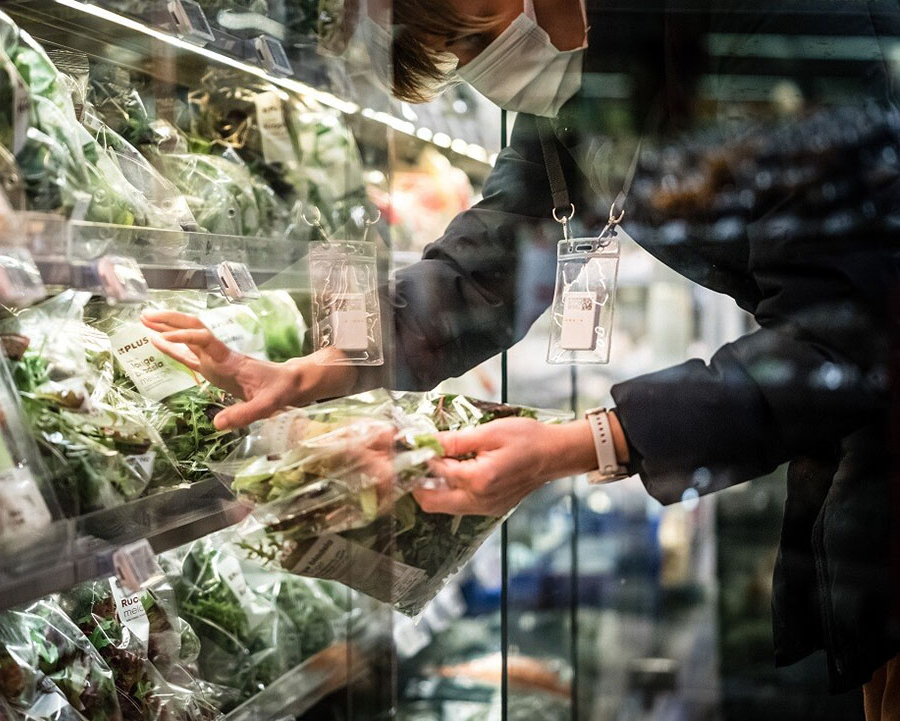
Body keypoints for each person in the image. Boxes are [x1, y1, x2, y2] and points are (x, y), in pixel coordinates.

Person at [142, 0, 900, 710]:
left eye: (474, 36)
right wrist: (322, 364)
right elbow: (492, 253)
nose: (483, 68)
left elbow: (846, 334)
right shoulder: (593, 62)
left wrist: (580, 443)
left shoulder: (760, 24)